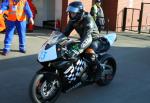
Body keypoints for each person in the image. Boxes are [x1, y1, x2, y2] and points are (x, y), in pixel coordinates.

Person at [64, 1, 106, 77]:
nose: (71, 15)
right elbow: (65, 32)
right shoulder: (73, 20)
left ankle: (99, 69)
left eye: (73, 13)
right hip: (84, 38)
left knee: (89, 54)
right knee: (69, 47)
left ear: (79, 12)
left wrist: (79, 48)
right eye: (70, 13)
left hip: (93, 39)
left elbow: (88, 36)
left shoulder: (88, 19)